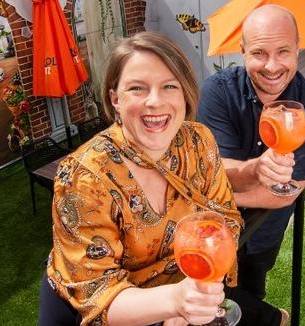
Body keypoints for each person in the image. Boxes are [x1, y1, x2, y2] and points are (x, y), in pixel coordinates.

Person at [38, 31, 243, 326]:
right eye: (137, 88)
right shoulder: (84, 178)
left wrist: (195, 291)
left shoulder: (199, 141)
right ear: (115, 99)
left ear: (184, 93)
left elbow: (224, 217)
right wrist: (174, 304)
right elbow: (99, 294)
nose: (155, 102)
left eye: (169, 86)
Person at [197, 4, 305, 326]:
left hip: (262, 235)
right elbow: (213, 170)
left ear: (298, 49)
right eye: (259, 53)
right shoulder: (217, 92)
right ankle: (276, 319)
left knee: (249, 291)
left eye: (283, 51)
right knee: (203, 293)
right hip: (210, 230)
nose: (272, 66)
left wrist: (210, 189)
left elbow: (283, 194)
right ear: (242, 50)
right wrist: (252, 174)